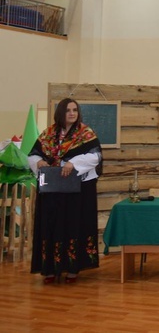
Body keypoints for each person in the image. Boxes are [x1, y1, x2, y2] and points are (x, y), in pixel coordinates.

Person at [27, 98, 103, 284]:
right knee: (51, 226)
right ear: (60, 112)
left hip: (77, 192)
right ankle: (50, 269)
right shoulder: (48, 134)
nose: (72, 113)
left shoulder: (85, 133)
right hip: (53, 190)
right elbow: (33, 154)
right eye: (68, 110)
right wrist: (38, 162)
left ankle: (72, 269)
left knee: (73, 225)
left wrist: (73, 163)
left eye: (75, 110)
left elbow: (96, 157)